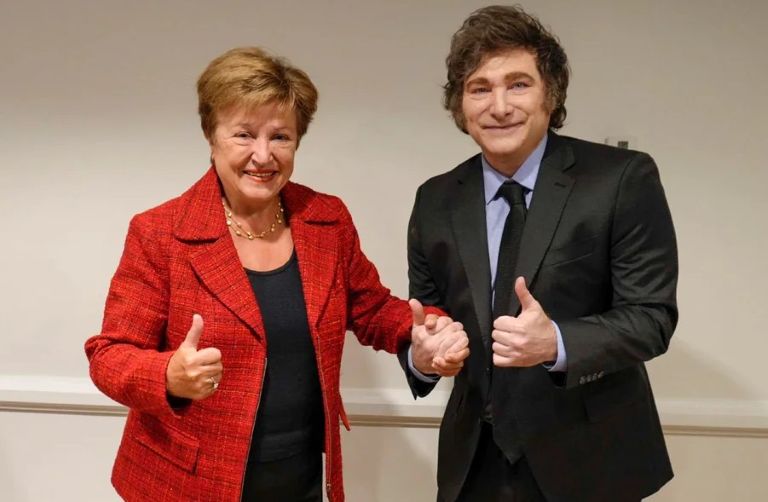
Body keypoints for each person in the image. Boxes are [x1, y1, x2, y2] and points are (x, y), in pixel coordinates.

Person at [85, 46, 468, 502]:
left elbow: (371, 309)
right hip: (188, 483)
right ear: (211, 136)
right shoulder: (160, 232)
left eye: (280, 137)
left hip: (301, 476)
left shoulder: (326, 219)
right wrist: (167, 373)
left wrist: (423, 333)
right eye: (244, 134)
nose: (263, 155)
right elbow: (109, 356)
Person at [401, 5, 678, 501]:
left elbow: (651, 318)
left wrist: (556, 343)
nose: (499, 106)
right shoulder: (435, 199)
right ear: (461, 105)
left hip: (590, 462)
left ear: (550, 93)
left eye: (518, 84)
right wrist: (423, 356)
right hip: (473, 465)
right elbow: (429, 315)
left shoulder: (621, 179)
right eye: (480, 88)